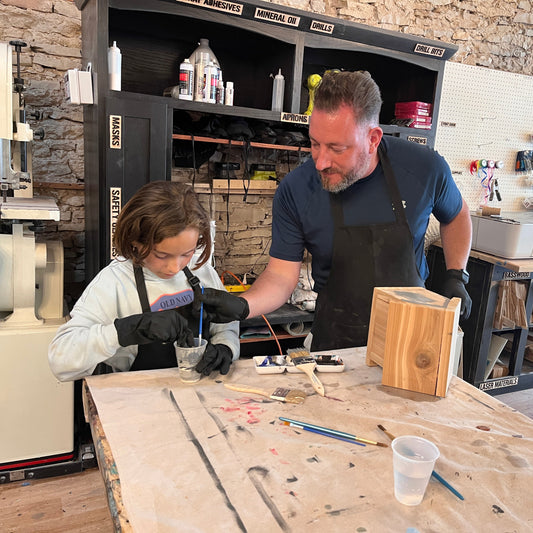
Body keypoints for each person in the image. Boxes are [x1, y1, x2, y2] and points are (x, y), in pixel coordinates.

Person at [196, 70, 472, 351]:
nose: (320, 162)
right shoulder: (296, 189)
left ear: (373, 139)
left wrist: (456, 275)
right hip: (335, 345)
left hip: (412, 341)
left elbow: (457, 214)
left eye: (336, 148)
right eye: (315, 144)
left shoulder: (424, 168)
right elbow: (281, 276)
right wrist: (243, 306)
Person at [49, 181, 239, 381]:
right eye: (162, 255)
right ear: (136, 243)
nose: (175, 267)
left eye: (187, 253)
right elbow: (60, 361)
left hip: (200, 395)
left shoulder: (202, 272)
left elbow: (225, 327)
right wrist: (124, 331)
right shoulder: (114, 282)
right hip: (139, 402)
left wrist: (226, 347)